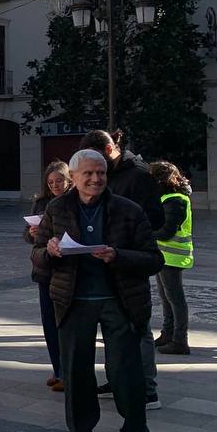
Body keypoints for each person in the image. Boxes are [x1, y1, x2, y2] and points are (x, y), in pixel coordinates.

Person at [31, 149, 162, 432]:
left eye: (100, 173)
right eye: (87, 173)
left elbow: (153, 259)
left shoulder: (127, 210)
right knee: (76, 374)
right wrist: (49, 251)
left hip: (120, 302)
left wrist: (118, 256)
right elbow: (37, 256)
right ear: (73, 178)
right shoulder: (57, 208)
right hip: (74, 302)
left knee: (125, 375)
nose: (95, 179)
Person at [79, 130, 162, 408]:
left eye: (98, 166)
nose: (96, 178)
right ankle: (117, 381)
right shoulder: (111, 174)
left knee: (139, 327)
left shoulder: (137, 174)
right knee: (114, 331)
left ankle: (148, 389)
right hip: (104, 264)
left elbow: (155, 220)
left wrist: (126, 236)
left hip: (128, 262)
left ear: (108, 149)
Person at [25, 161, 70, 391]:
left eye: (59, 181)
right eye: (50, 182)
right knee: (48, 322)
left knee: (64, 321)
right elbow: (28, 237)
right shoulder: (41, 202)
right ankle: (58, 369)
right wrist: (33, 232)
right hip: (43, 269)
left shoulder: (73, 202)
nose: (55, 185)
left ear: (68, 179)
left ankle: (67, 372)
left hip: (64, 269)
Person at [151, 161, 193, 356]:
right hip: (164, 255)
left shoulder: (175, 200)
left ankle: (180, 340)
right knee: (166, 298)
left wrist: (146, 233)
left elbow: (167, 231)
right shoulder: (167, 197)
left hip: (173, 256)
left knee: (175, 299)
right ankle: (167, 334)